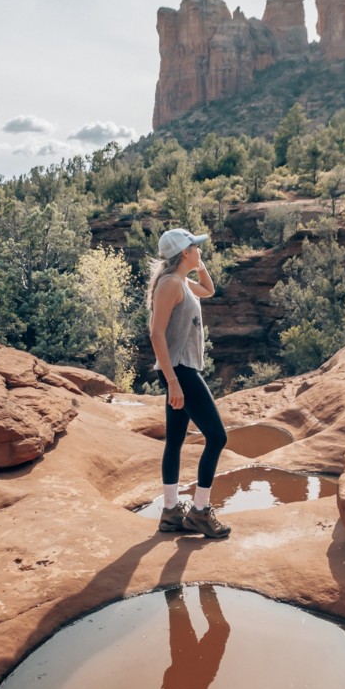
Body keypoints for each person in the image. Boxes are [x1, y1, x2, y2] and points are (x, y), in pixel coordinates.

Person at [147, 227, 230, 539]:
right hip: (180, 370)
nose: (199, 250)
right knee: (218, 437)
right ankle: (199, 512)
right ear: (184, 252)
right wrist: (173, 381)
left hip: (181, 369)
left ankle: (170, 512)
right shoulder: (170, 284)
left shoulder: (180, 281)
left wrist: (200, 264)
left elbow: (209, 290)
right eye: (195, 247)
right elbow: (156, 334)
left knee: (176, 440)